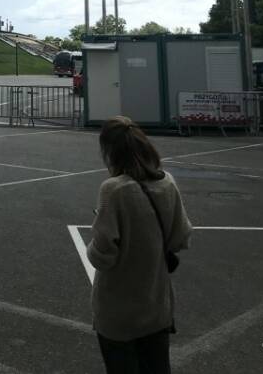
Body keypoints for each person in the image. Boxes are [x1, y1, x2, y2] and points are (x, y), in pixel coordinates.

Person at [87, 116, 193, 374]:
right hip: (156, 304)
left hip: (118, 310)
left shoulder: (113, 190)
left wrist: (97, 230)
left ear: (111, 152)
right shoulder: (167, 182)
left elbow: (103, 257)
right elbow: (181, 238)